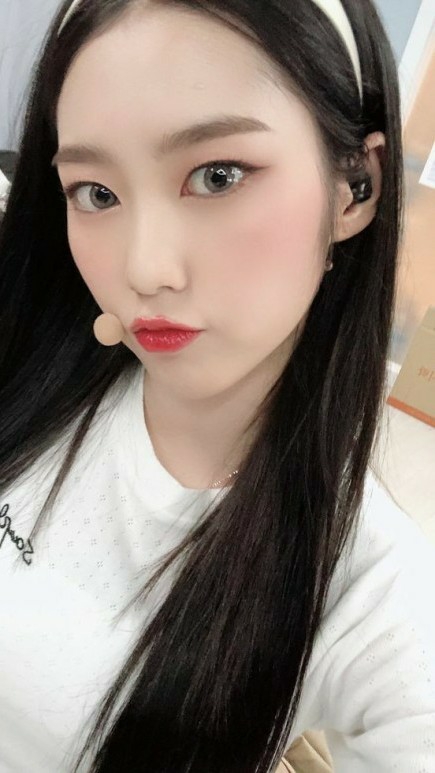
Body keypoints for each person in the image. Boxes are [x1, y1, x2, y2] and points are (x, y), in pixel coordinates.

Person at [0, 0, 434, 771]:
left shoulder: (375, 592)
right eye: (96, 192)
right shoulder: (32, 374)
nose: (144, 269)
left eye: (217, 175)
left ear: (354, 187)